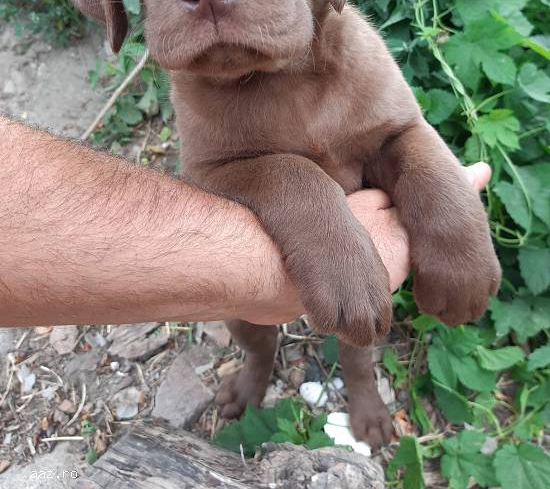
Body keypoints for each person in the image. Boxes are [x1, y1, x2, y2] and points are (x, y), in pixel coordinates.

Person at [0, 115, 491, 328]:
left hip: (359, 261)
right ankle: (257, 360)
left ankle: (360, 381)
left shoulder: (360, 61)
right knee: (247, 316)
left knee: (360, 303)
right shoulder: (202, 97)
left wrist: (449, 218)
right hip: (257, 258)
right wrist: (295, 187)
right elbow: (209, 172)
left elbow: (401, 132)